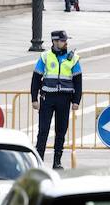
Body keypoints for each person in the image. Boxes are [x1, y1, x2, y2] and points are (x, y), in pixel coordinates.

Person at [30, 29, 82, 170]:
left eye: (65, 40)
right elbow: (36, 78)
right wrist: (34, 98)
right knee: (43, 130)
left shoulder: (73, 58)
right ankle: (39, 161)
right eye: (62, 40)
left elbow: (78, 81)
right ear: (54, 41)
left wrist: (76, 101)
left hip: (64, 99)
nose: (65, 43)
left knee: (61, 131)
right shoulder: (45, 56)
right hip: (47, 97)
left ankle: (57, 161)